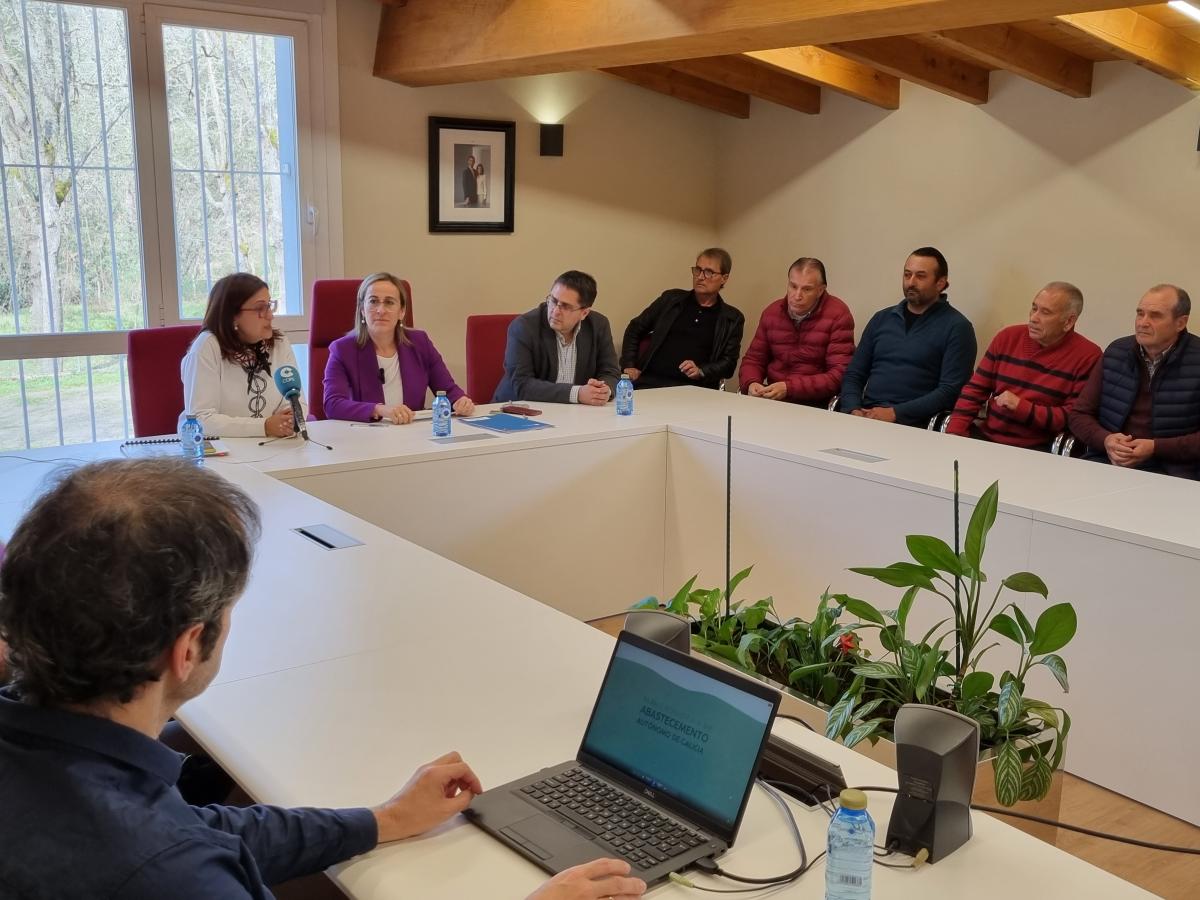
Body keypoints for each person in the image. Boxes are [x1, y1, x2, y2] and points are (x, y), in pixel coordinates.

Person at [0, 458, 647, 900]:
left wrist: (382, 820)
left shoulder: (66, 771)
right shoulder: (168, 873)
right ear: (188, 648)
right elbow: (178, 848)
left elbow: (201, 829)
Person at [1068, 284, 1200, 478]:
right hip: (1108, 461)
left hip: (1172, 472)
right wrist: (1106, 440)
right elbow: (1079, 414)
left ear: (1180, 323)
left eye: (1155, 316)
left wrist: (1155, 447)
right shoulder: (1116, 352)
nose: (1143, 323)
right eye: (1140, 313)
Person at [947, 282, 1101, 448]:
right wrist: (954, 434)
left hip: (1040, 448)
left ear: (1069, 321)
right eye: (1034, 308)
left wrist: (1021, 407)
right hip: (988, 437)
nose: (1033, 318)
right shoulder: (1007, 337)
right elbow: (975, 390)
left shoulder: (1088, 356)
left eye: (1045, 312)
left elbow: (1072, 417)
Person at [839, 247, 976, 426]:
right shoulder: (882, 319)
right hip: (867, 416)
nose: (911, 282)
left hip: (916, 425)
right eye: (907, 275)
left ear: (940, 283)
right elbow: (854, 374)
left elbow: (950, 391)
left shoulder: (958, 327)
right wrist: (853, 409)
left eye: (920, 276)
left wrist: (895, 413)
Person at [323, 272, 475, 424]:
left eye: (389, 302)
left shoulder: (420, 343)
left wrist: (460, 401)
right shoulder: (342, 350)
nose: (381, 310)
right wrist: (379, 410)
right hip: (366, 433)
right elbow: (332, 404)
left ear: (401, 312)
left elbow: (448, 390)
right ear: (362, 309)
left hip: (412, 431)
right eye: (373, 301)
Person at [181, 272, 306, 439]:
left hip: (274, 445)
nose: (270, 315)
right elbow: (201, 419)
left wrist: (291, 418)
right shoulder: (207, 347)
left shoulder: (279, 343)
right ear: (232, 316)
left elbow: (297, 401)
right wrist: (265, 426)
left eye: (269, 305)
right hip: (221, 448)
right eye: (260, 308)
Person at [737, 257, 855, 407]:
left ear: (820, 290)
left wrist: (790, 388)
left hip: (815, 405)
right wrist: (751, 382)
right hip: (773, 400)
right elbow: (754, 360)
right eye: (793, 286)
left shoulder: (838, 315)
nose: (797, 296)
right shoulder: (772, 312)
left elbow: (839, 374)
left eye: (807, 289)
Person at [620, 248, 744, 390]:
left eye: (709, 272)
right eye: (698, 270)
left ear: (724, 278)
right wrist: (629, 365)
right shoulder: (671, 300)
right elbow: (635, 328)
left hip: (696, 389)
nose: (700, 277)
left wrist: (701, 371)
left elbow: (728, 364)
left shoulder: (732, 318)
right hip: (651, 382)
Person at [493, 270, 621, 405]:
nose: (555, 311)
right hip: (518, 409)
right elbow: (522, 384)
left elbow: (611, 371)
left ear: (584, 313)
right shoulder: (524, 327)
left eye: (565, 306)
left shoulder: (598, 325)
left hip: (575, 412)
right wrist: (577, 394)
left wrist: (604, 390)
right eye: (553, 301)